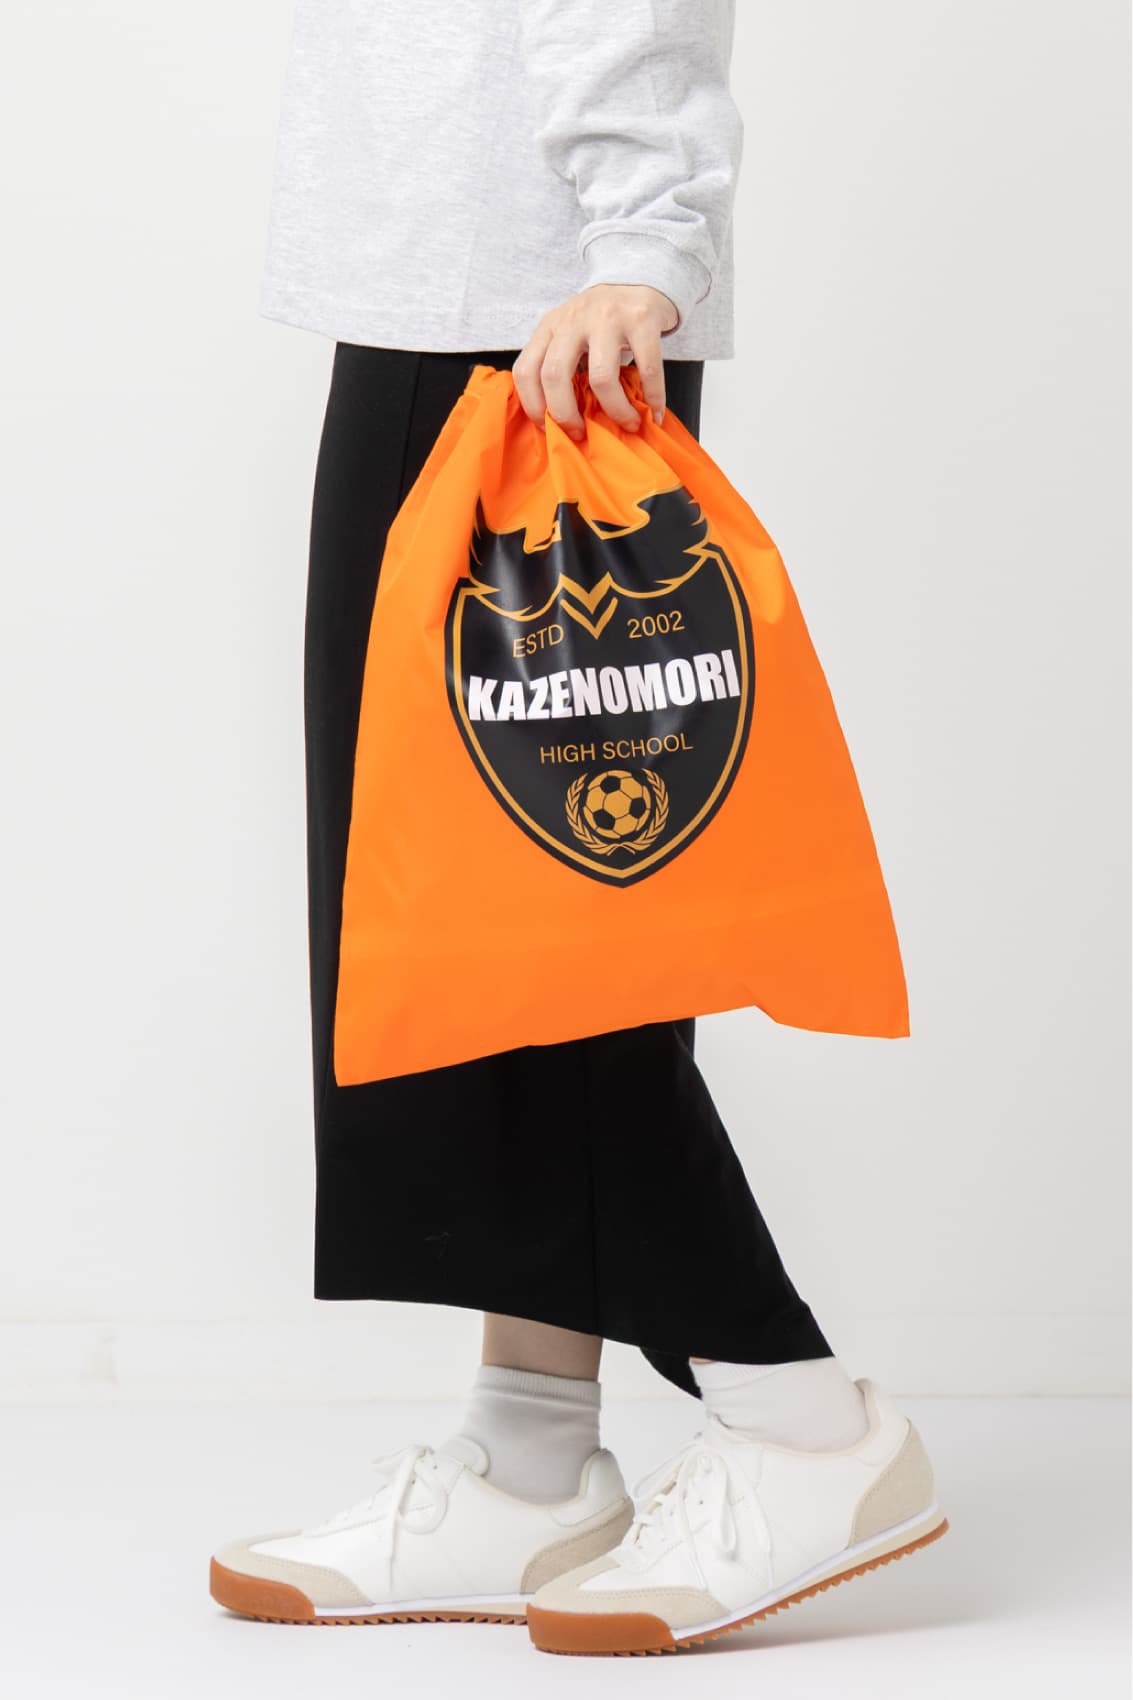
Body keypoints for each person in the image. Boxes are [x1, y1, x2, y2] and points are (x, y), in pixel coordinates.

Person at [209, 0, 948, 1656]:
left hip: (539, 309)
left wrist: (646, 238)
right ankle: (533, 1451)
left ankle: (796, 1416)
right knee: (456, 926)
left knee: (529, 931)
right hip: (450, 284)